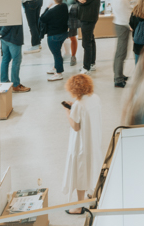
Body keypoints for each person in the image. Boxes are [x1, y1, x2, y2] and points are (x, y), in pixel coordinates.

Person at [62, 73, 103, 214]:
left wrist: (68, 111)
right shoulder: (95, 98)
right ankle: (93, 195)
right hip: (94, 140)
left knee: (81, 172)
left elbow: (76, 126)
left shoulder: (79, 105)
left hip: (81, 145)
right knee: (93, 167)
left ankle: (79, 207)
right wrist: (75, 107)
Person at [0, 0, 28, 93]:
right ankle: (15, 84)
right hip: (12, 38)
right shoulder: (13, 4)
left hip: (5, 38)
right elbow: (9, 22)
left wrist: (1, 34)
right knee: (16, 60)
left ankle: (4, 82)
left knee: (5, 59)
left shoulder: (4, 1)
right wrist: (2, 33)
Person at [76, 0, 102, 73]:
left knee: (86, 42)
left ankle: (86, 67)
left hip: (89, 17)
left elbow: (84, 1)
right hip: (84, 17)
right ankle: (92, 63)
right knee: (90, 39)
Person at [40, 0, 69, 80]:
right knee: (58, 52)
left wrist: (48, 7)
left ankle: (59, 73)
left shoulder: (51, 11)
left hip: (53, 36)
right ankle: (56, 67)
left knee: (56, 54)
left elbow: (42, 19)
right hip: (63, 34)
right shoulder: (64, 6)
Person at [111, 0, 134, 88]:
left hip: (120, 24)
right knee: (121, 53)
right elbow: (127, 16)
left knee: (120, 53)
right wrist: (133, 26)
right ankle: (118, 80)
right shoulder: (121, 0)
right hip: (123, 26)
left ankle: (119, 74)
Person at [62, 0, 81, 67]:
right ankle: (66, 53)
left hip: (73, 18)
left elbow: (79, 4)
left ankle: (73, 56)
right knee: (64, 36)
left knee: (72, 37)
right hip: (63, 16)